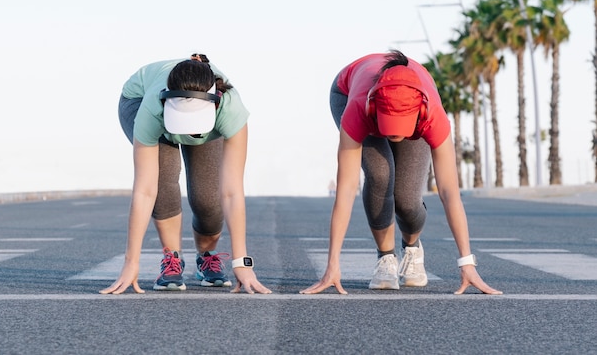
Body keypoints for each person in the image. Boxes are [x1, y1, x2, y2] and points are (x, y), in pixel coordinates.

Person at [300, 50, 502, 295]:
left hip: (413, 99)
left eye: (399, 128)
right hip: (346, 90)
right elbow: (345, 190)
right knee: (380, 174)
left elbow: (449, 192)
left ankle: (412, 247)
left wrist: (467, 263)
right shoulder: (357, 109)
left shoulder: (432, 114)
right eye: (389, 126)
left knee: (407, 198)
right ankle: (385, 258)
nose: (393, 134)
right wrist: (332, 265)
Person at [100, 53, 271, 295]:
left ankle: (207, 257)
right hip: (137, 100)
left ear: (215, 103)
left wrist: (241, 262)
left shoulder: (231, 109)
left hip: (199, 111)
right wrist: (131, 263)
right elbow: (145, 191)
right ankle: (172, 260)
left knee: (208, 198)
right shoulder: (150, 109)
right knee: (162, 183)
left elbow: (231, 192)